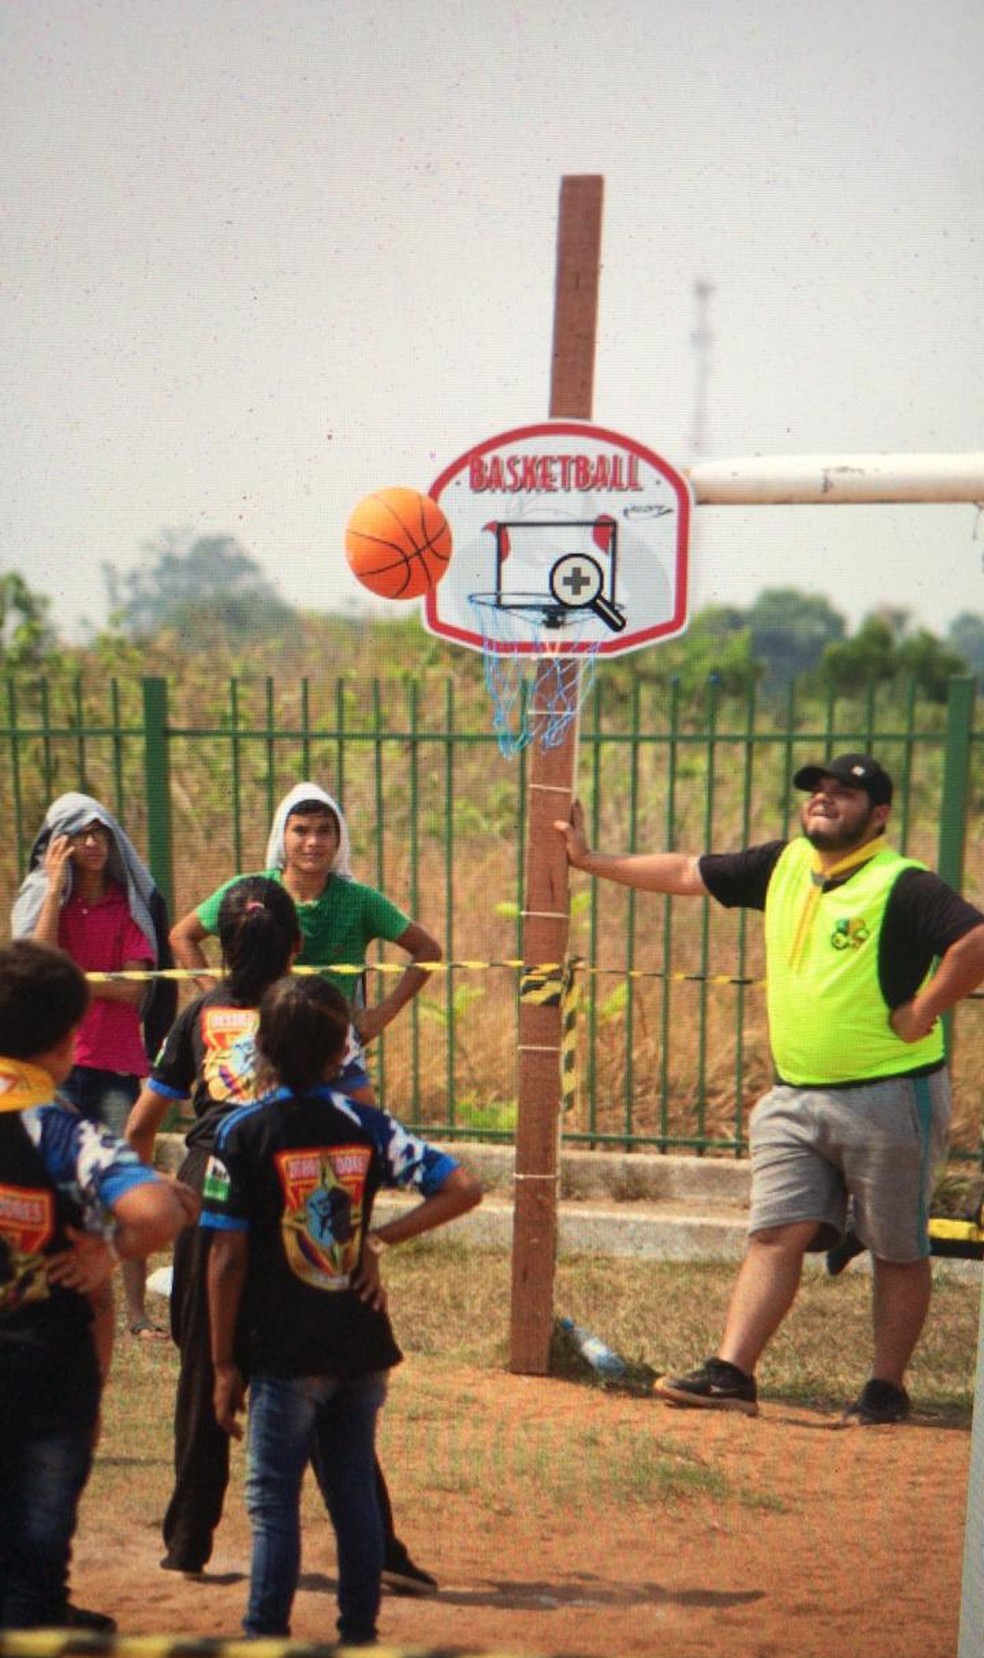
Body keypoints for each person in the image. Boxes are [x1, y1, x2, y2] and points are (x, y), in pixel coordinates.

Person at [555, 753, 984, 1425]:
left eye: (845, 793)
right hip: (793, 1097)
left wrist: (925, 1009)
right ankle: (732, 1373)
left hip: (892, 1095)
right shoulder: (783, 865)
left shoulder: (903, 884)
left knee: (898, 1247)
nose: (824, 798)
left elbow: (975, 941)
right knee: (773, 1232)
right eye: (818, 789)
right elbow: (684, 871)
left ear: (879, 816)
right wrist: (590, 861)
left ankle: (886, 1388)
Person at [128, 876, 430, 1594]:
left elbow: (141, 1127)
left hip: (212, 1186)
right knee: (322, 1366)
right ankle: (380, 1546)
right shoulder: (320, 1013)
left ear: (222, 949)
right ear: (298, 946)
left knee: (207, 1364)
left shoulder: (198, 1015)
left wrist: (147, 1199)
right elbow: (359, 1119)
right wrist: (361, 1240)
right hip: (305, 1183)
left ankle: (187, 1542)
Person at [203, 973, 481, 1645]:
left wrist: (219, 1363)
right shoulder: (367, 1124)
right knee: (353, 1490)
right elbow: (464, 1186)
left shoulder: (241, 1133)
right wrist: (378, 1241)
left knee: (274, 1502)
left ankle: (264, 1636)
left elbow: (226, 1260)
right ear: (341, 1054)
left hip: (283, 1349)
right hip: (359, 1342)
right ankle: (359, 1635)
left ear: (260, 1048)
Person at [0, 938, 196, 1630]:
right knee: (36, 1546)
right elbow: (160, 1209)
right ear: (67, 1042)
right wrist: (109, 1249)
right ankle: (35, 1612)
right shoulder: (64, 1132)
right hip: (47, 1372)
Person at [11, 792, 178, 1341]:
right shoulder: (47, 901)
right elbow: (37, 964)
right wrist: (54, 891)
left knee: (124, 1182)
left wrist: (72, 978)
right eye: (78, 834)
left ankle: (134, 1311)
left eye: (100, 832)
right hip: (46, 1071)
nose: (91, 843)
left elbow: (133, 989)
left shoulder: (124, 906)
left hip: (111, 1063)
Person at [169, 782, 442, 1049]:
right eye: (300, 830)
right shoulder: (250, 891)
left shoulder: (361, 901)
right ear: (281, 836)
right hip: (257, 1042)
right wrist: (216, 996)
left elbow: (428, 950)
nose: (313, 842)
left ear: (339, 840)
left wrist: (381, 1016)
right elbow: (182, 935)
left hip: (333, 1045)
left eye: (324, 831)